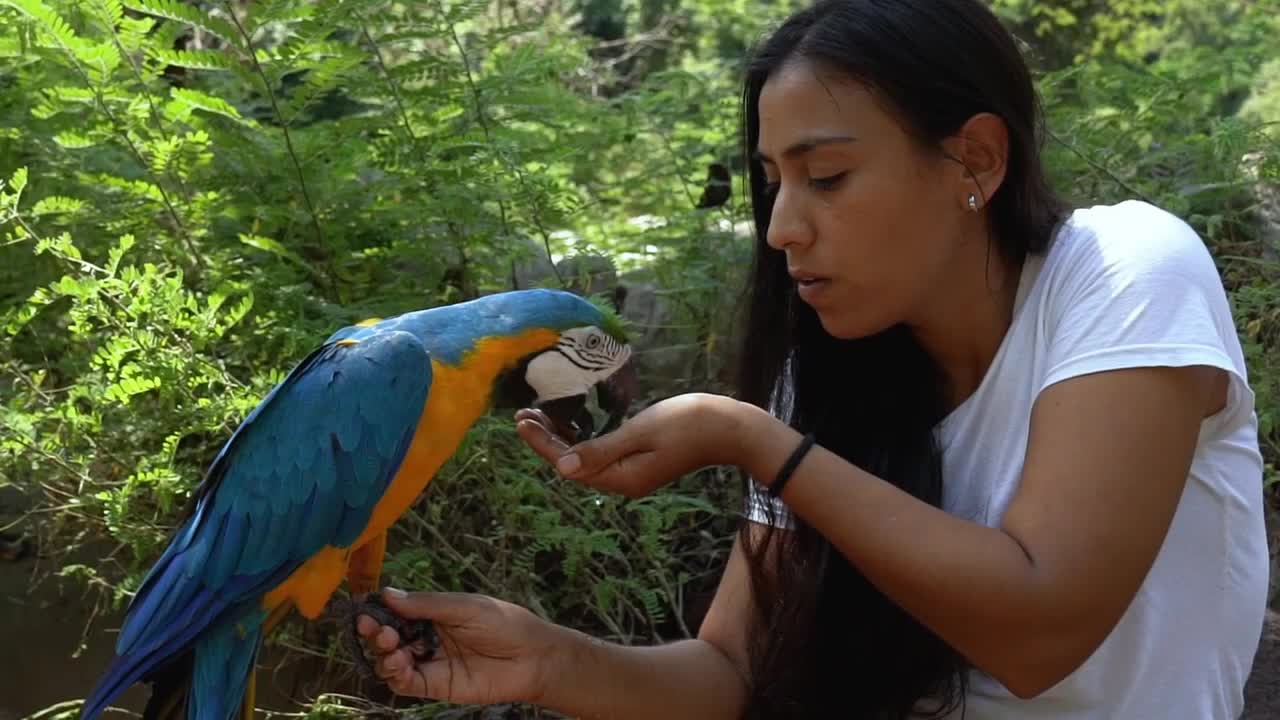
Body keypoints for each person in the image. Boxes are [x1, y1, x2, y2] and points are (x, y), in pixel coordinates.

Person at [356, 0, 1270, 717]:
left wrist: (752, 441)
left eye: (825, 177)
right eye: (772, 183)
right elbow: (728, 671)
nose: (784, 227)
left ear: (977, 162)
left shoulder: (1125, 272)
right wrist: (547, 660)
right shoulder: (837, 377)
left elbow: (1040, 631)